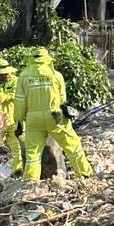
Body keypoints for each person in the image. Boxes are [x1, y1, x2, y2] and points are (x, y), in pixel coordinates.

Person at [14, 47, 93, 180]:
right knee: (72, 145)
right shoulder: (56, 75)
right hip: (55, 116)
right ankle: (84, 173)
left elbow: (19, 102)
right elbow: (62, 100)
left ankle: (30, 179)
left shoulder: (23, 76)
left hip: (33, 119)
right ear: (47, 59)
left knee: (32, 152)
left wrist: (19, 123)